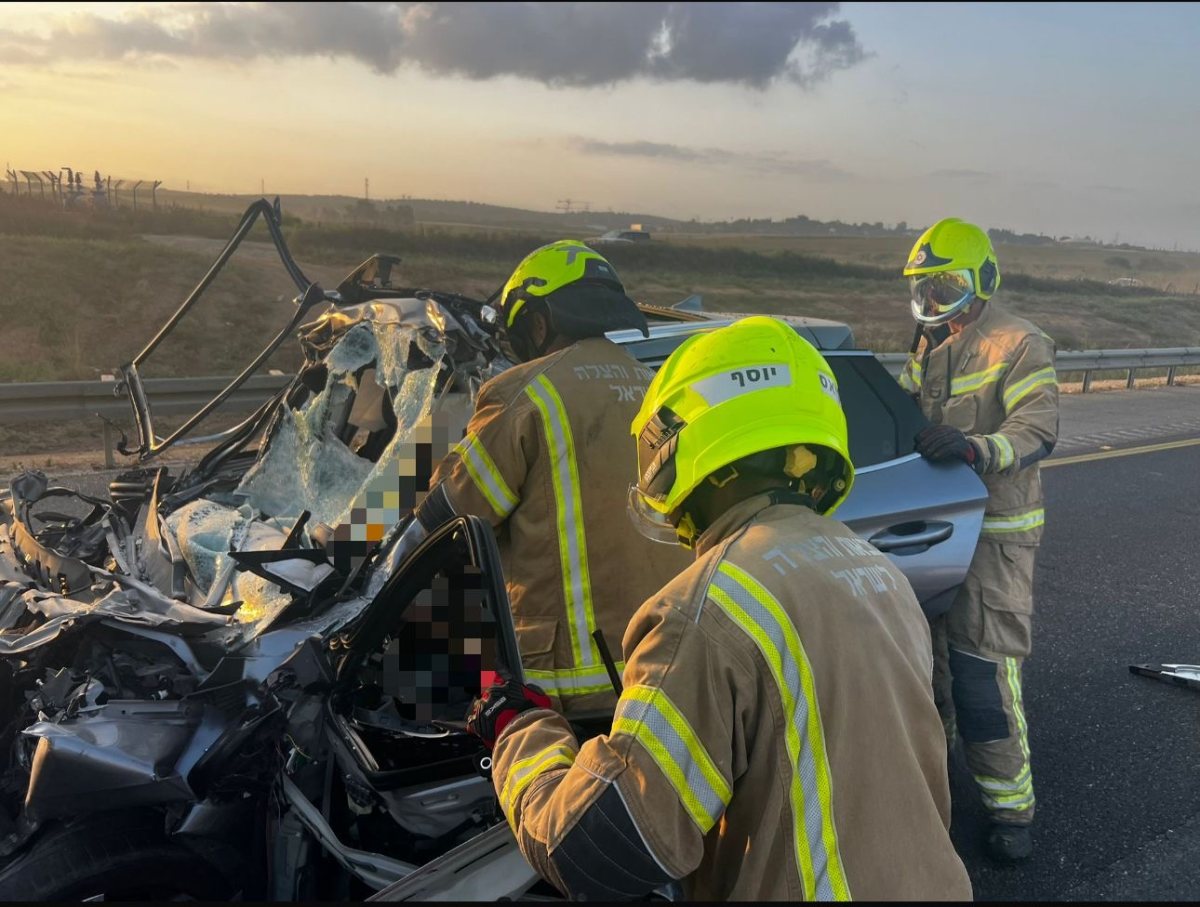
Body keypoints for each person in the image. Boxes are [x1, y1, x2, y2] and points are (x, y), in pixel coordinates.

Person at [466, 316, 973, 901]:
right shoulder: (873, 569)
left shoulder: (706, 609)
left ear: (692, 445)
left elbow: (596, 849)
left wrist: (518, 728)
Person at [409, 239, 688, 715]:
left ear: (539, 322)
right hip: (663, 673)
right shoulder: (658, 392)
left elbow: (450, 515)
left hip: (564, 689)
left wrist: (411, 471)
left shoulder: (523, 393)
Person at [900, 217, 1059, 862]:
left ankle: (1010, 810)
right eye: (925, 289)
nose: (935, 301)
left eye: (945, 286)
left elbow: (1038, 427)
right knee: (925, 669)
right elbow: (902, 414)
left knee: (979, 673)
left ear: (982, 280)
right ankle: (931, 796)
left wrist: (976, 447)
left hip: (994, 535)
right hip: (935, 530)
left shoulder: (1019, 342)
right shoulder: (930, 346)